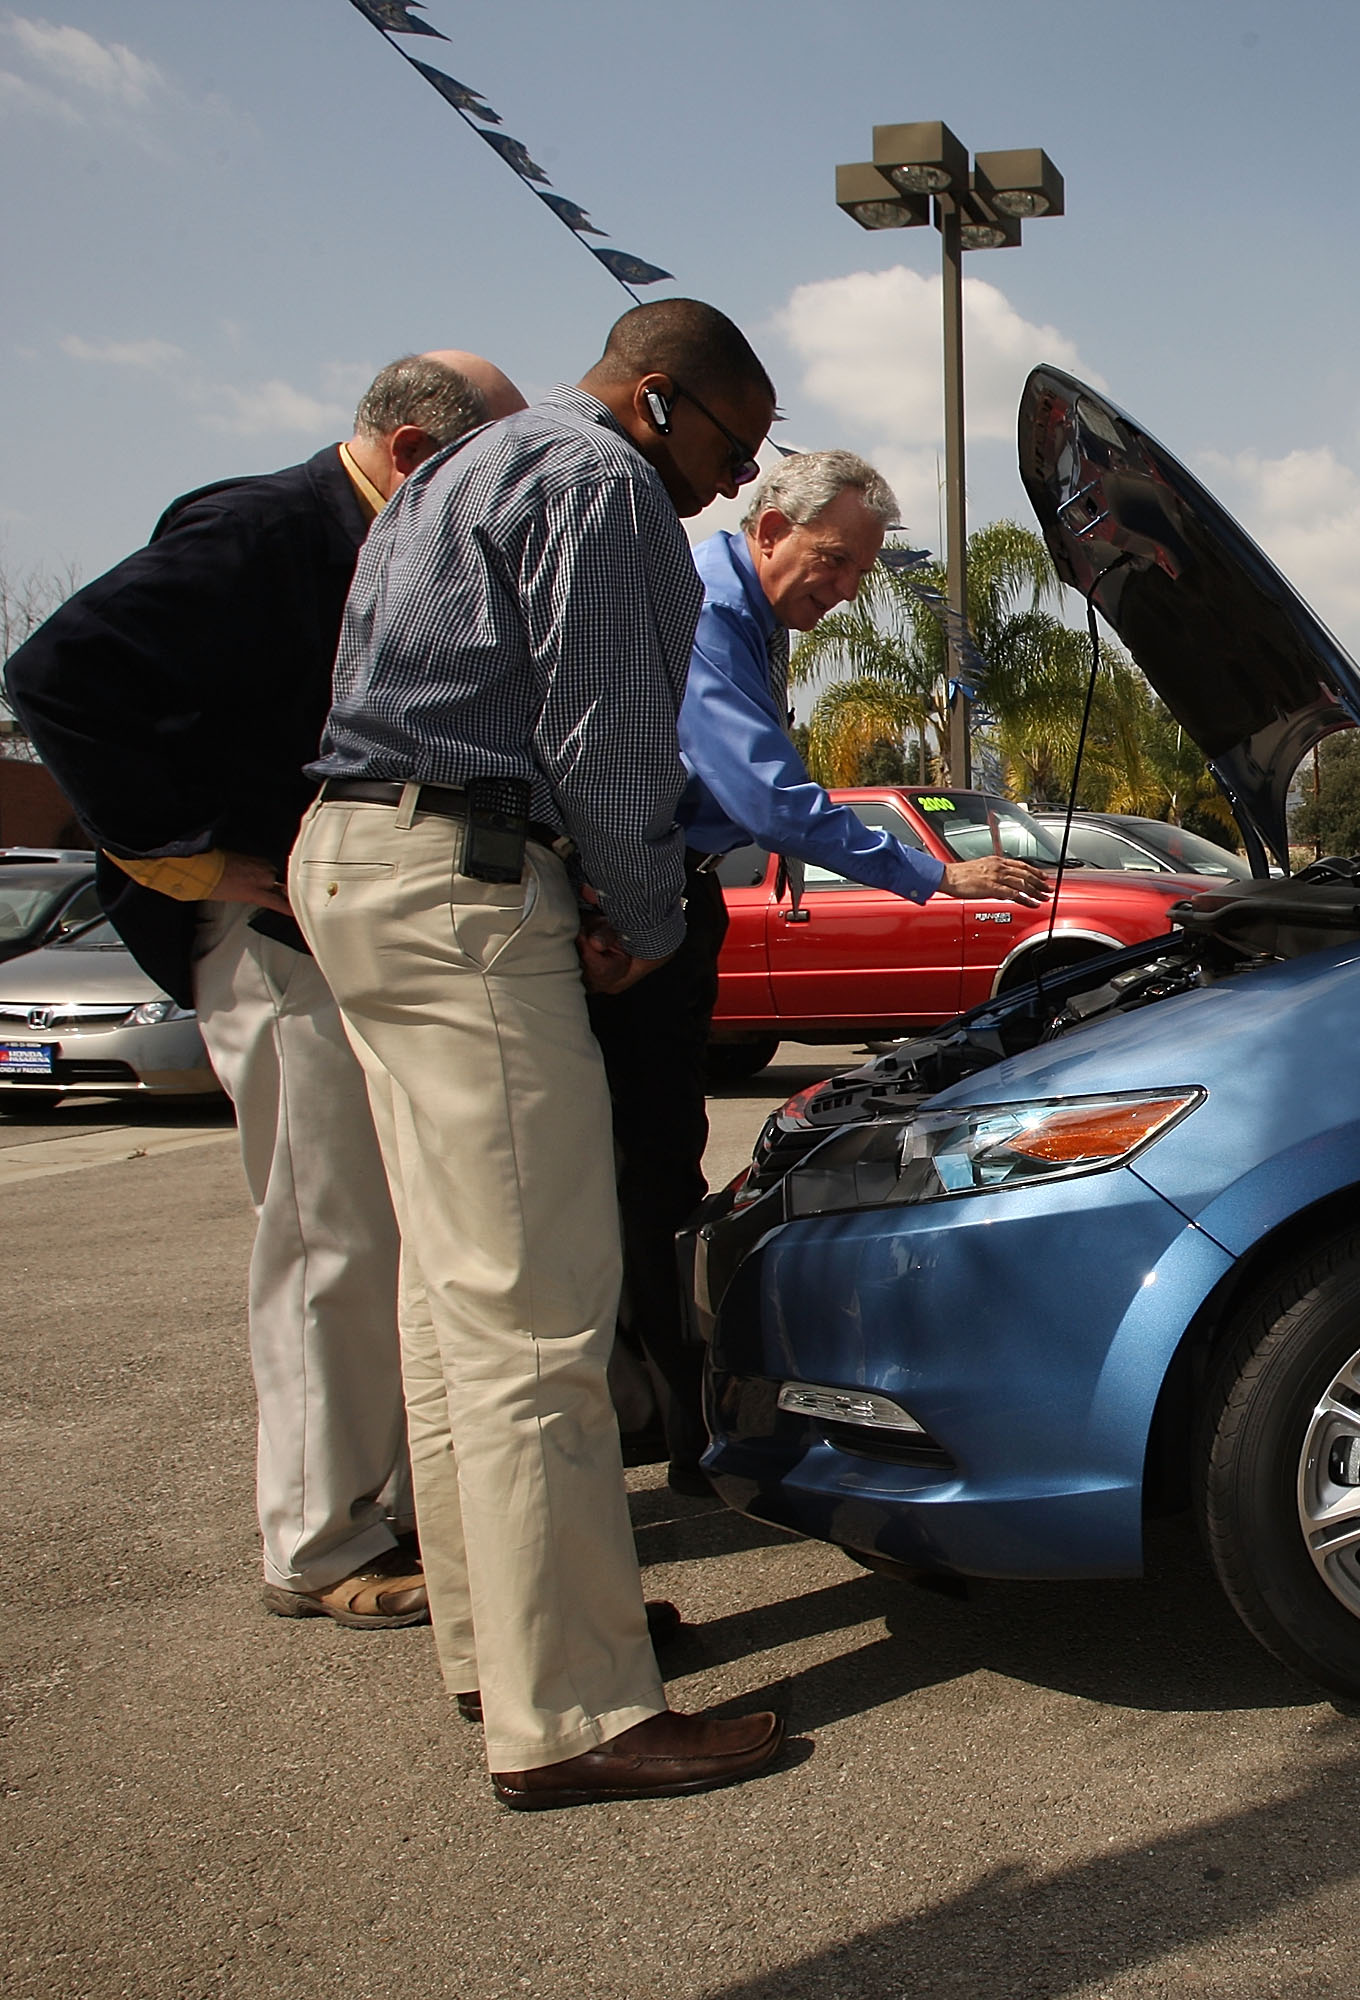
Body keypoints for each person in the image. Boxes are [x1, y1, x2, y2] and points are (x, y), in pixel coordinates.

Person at [292, 299, 784, 1809]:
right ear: (657, 401)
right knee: (539, 1320)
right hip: (466, 888)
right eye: (731, 448)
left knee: (456, 1307)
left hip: (357, 866)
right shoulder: (603, 483)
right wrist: (637, 913)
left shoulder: (467, 467)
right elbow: (609, 726)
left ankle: (495, 1646)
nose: (731, 490)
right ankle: (574, 1713)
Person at [3, 351, 524, 1632]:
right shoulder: (266, 526)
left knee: (382, 1230)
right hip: (272, 933)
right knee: (326, 1231)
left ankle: (380, 1498)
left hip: (341, 926)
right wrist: (196, 859)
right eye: (484, 470)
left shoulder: (367, 535)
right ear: (411, 454)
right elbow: (61, 672)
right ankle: (320, 1536)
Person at [596, 448, 1047, 1491]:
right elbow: (766, 797)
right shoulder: (709, 614)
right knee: (639, 1177)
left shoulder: (749, 621)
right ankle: (672, 1434)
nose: (842, 591)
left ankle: (657, 1415)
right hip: (634, 909)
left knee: (655, 1165)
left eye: (856, 575)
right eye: (832, 560)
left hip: (673, 895)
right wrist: (930, 876)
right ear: (766, 529)